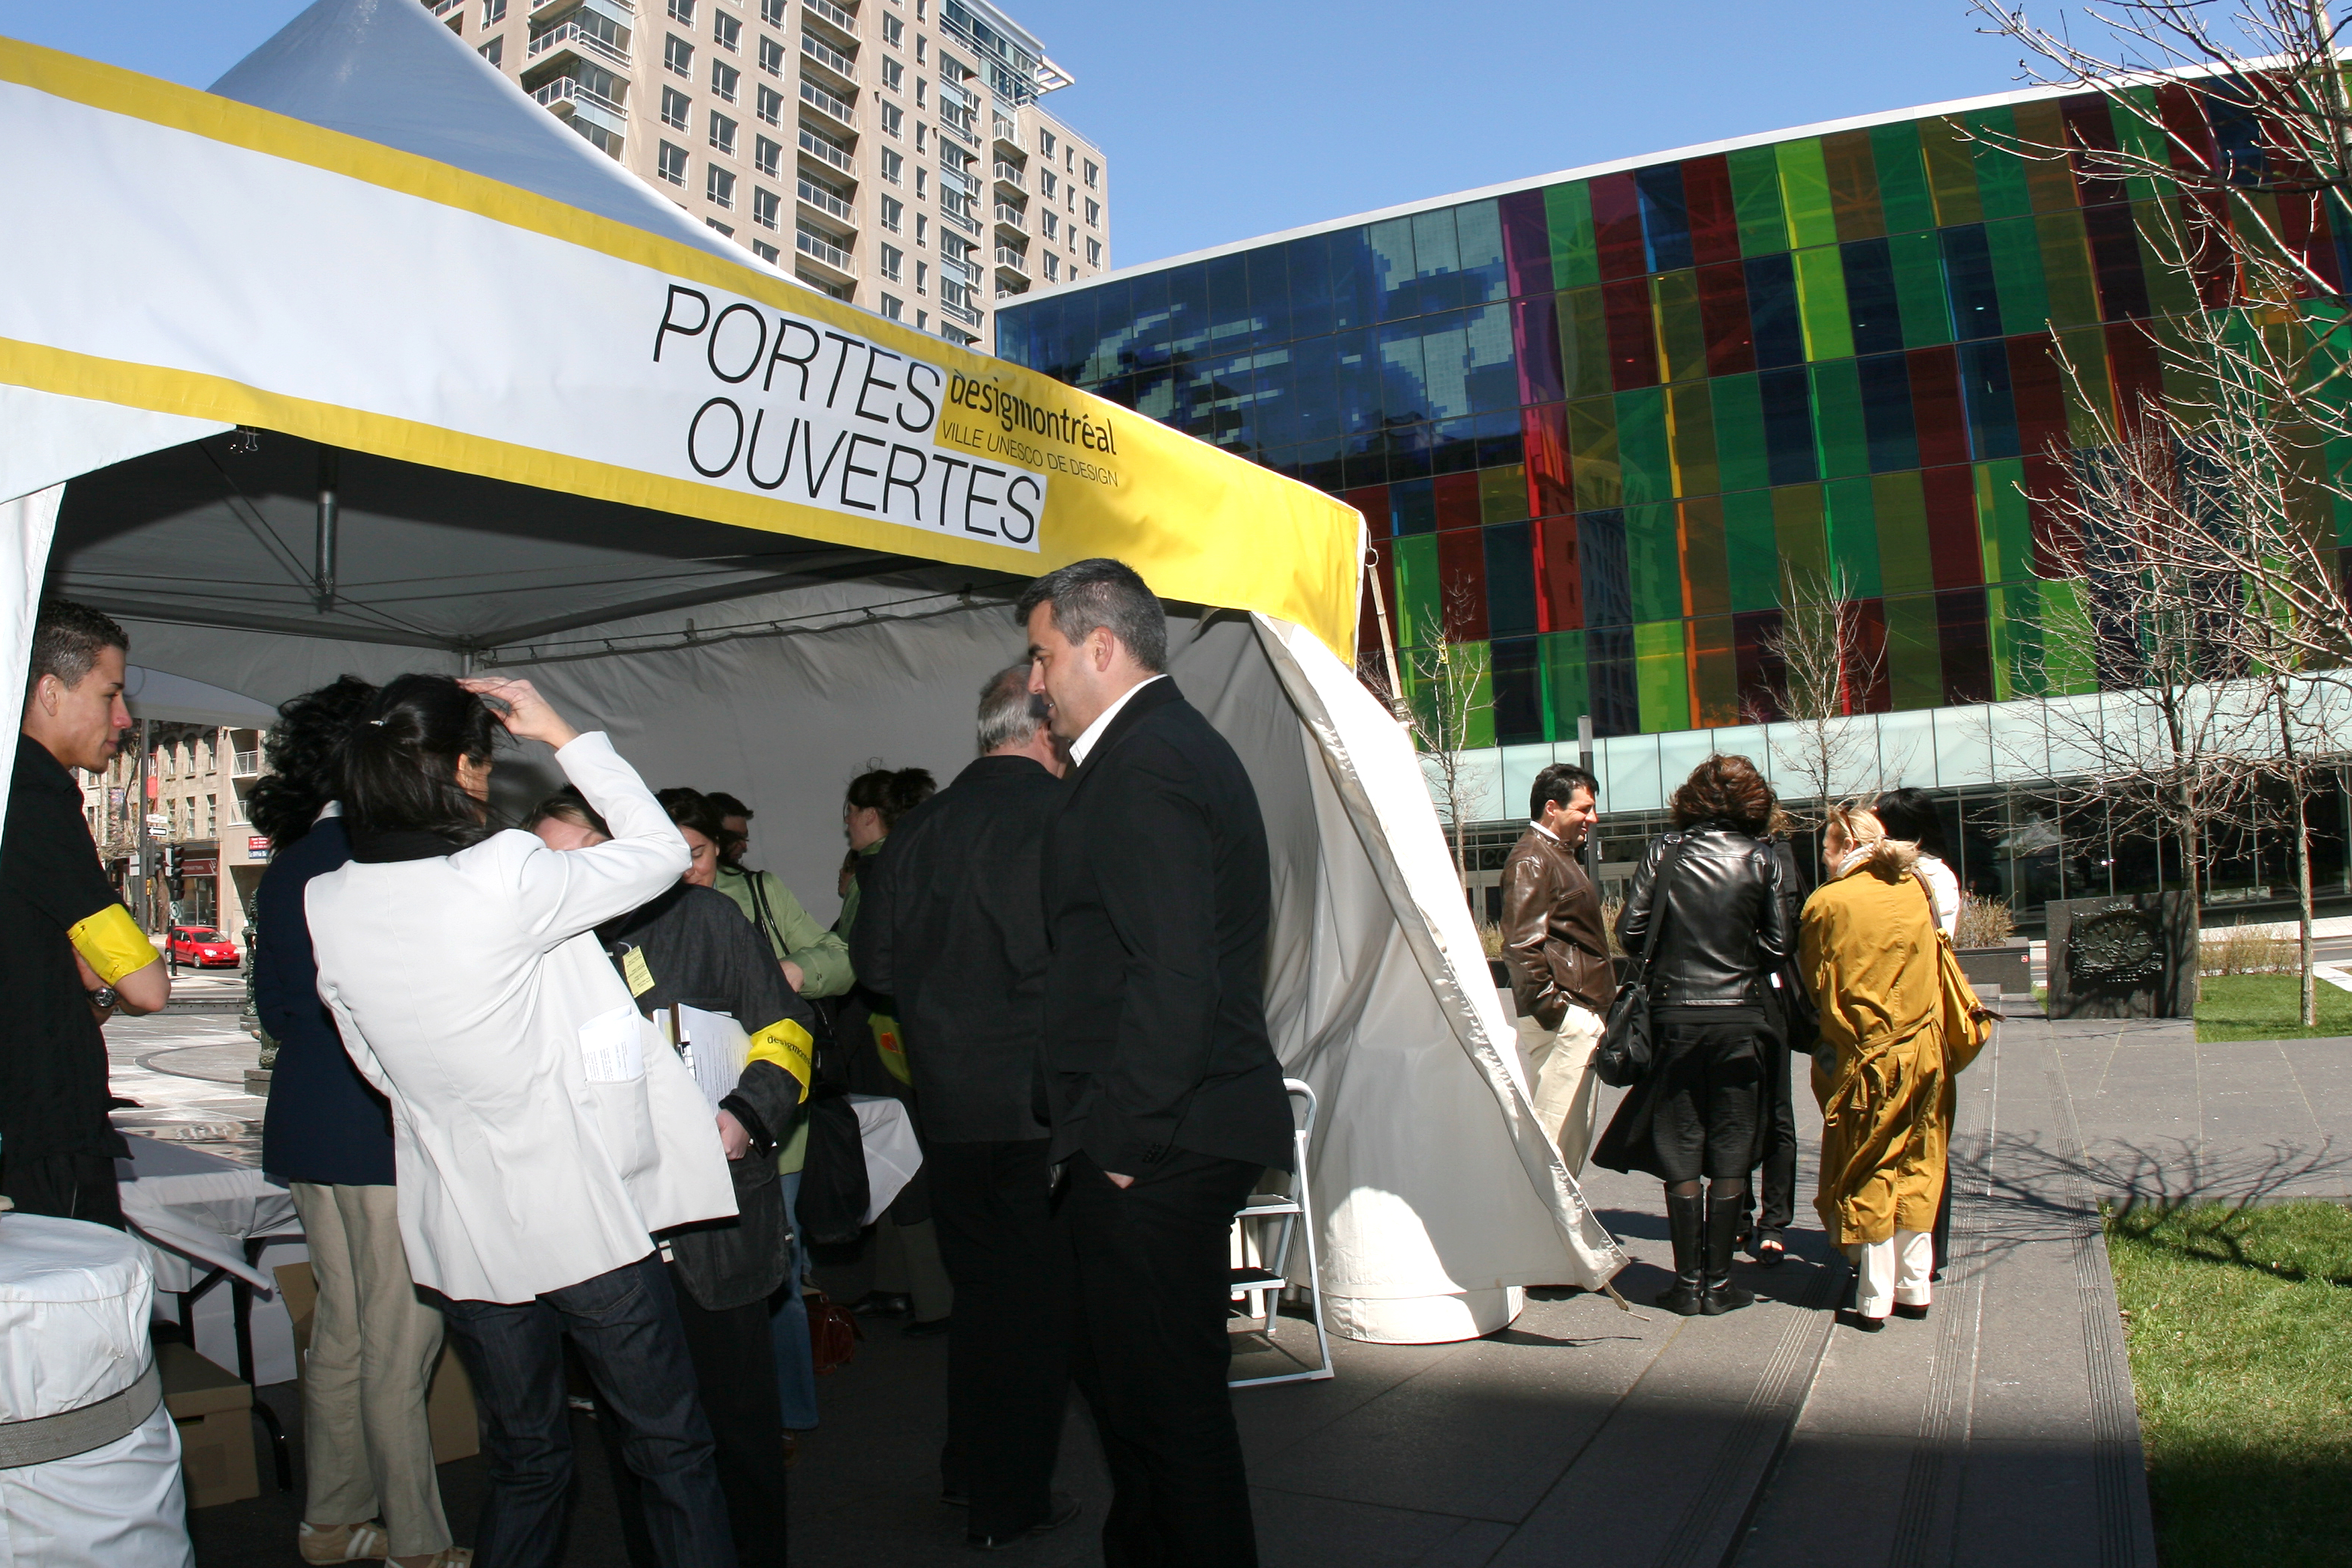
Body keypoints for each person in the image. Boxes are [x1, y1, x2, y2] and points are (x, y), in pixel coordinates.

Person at [305, 674, 738, 1568]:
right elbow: (662, 850)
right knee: (670, 1451)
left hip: (460, 1225)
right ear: (467, 770)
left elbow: (376, 1066)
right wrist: (565, 734)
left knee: (526, 1462)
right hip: (579, 1219)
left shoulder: (331, 899)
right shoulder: (503, 872)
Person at [1022, 558, 1293, 1568]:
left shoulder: (1148, 762)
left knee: (1167, 1419)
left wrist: (1123, 1146)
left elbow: (1174, 976)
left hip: (1160, 1144)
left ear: (1101, 647)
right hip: (1168, 1135)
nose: (1035, 681)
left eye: (1043, 656)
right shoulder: (1153, 752)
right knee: (1143, 1408)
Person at [528, 787, 816, 1568]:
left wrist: (748, 1116)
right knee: (638, 1444)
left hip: (714, 1228)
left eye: (571, 858)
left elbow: (790, 1027)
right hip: (607, 1237)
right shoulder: (539, 949)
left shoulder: (707, 921)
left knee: (739, 1436)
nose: (552, 879)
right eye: (540, 861)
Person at [850, 666, 1075, 1550]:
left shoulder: (914, 834)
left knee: (981, 1298)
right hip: (1037, 1109)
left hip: (947, 1103)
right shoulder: (1065, 819)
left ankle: (965, 1470)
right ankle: (1007, 1501)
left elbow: (873, 968)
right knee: (1035, 1311)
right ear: (1045, 730)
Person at [252, 677, 467, 1568]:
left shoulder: (293, 856)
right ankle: (418, 1541)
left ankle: (331, 1522)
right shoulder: (386, 855)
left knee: (341, 1329)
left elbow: (274, 1005)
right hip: (382, 1125)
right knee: (400, 1341)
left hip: (307, 1120)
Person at [1591, 754, 1790, 1318]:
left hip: (1674, 1016)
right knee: (1733, 1138)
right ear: (1754, 802)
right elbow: (1778, 947)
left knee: (1679, 1141)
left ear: (1692, 799)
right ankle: (1720, 1284)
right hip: (1740, 1018)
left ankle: (1685, 1283)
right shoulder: (1762, 859)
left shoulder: (1666, 851)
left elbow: (1631, 932)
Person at [0, 599, 169, 1225]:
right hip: (44, 1133)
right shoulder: (38, 797)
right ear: (49, 691)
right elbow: (147, 988)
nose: (124, 717)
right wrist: (103, 984)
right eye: (109, 695)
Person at [1800, 803, 1949, 1332]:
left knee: (1867, 1164)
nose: (1824, 858)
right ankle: (1915, 1285)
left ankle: (1873, 1293)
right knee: (1919, 1160)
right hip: (1928, 1049)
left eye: (1826, 848)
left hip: (1868, 1057)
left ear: (1844, 846)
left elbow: (1816, 982)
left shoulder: (1830, 902)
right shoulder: (1916, 887)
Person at [832, 765, 949, 1336]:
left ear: (871, 815)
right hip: (918, 1029)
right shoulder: (924, 859)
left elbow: (854, 962)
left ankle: (930, 1295)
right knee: (900, 1153)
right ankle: (899, 1286)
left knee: (901, 1157)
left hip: (882, 1034)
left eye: (850, 815)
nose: (847, 827)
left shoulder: (876, 871)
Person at [1868, 787, 1961, 1279]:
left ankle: (1884, 1252)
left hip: (1896, 1018)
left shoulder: (1898, 877)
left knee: (1887, 1137)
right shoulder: (1941, 875)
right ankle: (1926, 1253)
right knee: (1928, 1140)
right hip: (1931, 1018)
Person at [1498, 763, 1609, 1173]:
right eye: (1584, 809)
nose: (1592, 819)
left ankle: (1558, 1232)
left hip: (1573, 1016)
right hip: (1566, 1018)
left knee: (1565, 1145)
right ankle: (1542, 1234)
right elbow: (1521, 946)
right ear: (1552, 808)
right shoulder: (1533, 859)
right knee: (1554, 1149)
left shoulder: (1552, 856)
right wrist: (1560, 1012)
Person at [1742, 807, 1812, 1269]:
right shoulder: (1713, 852)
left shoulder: (1777, 854)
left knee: (1773, 1110)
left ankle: (1769, 1221)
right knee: (1744, 1108)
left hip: (1768, 992)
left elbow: (1792, 927)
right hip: (1744, 992)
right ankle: (1749, 1215)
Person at [702, 790, 851, 1000]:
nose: (743, 846)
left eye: (744, 838)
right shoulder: (655, 902)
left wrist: (800, 968)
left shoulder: (760, 890)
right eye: (734, 837)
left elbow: (839, 957)